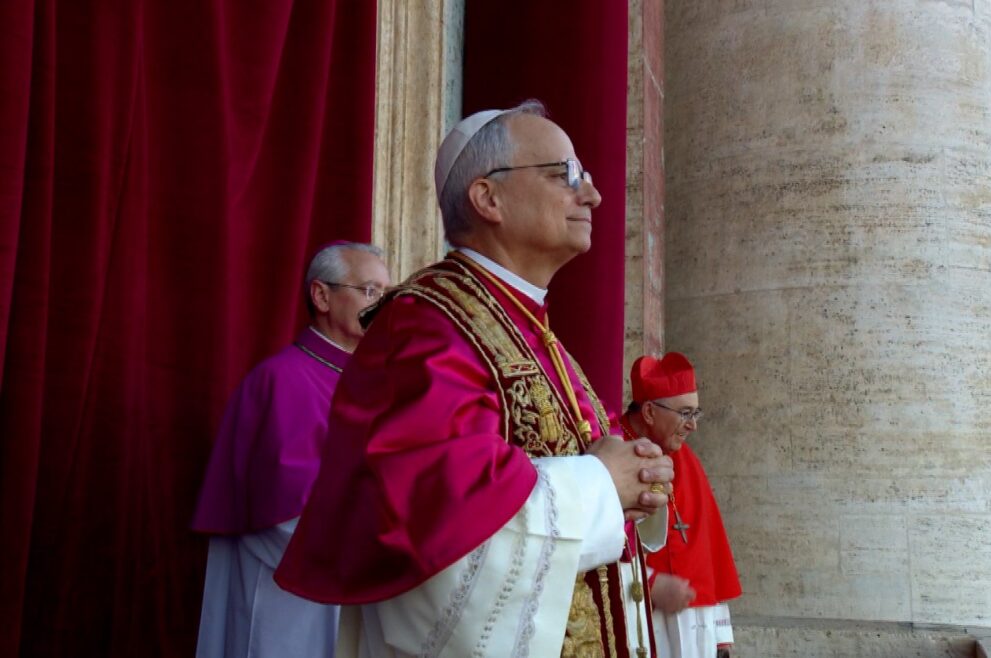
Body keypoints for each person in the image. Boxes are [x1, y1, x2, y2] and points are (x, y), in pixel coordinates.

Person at [275, 101, 674, 658]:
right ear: (488, 198)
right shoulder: (426, 325)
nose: (592, 195)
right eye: (566, 175)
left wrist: (634, 482)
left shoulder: (532, 328)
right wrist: (601, 486)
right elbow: (437, 518)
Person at [191, 241, 393, 658]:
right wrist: (383, 547)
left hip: (353, 585)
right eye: (370, 292)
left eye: (386, 295)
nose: (383, 305)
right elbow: (283, 508)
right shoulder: (284, 380)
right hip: (291, 592)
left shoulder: (370, 381)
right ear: (321, 296)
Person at [618, 353, 742, 658]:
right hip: (637, 615)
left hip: (696, 624)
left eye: (695, 413)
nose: (693, 426)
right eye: (685, 413)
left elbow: (709, 547)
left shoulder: (688, 460)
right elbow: (595, 542)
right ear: (648, 411)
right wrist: (650, 586)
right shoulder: (613, 453)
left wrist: (721, 636)